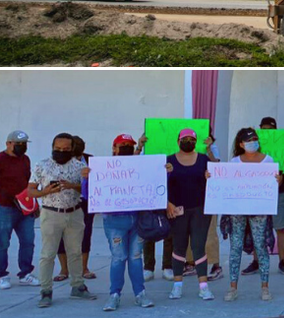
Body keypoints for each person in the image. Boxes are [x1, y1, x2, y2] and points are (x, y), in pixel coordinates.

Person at [80, 134, 154, 311]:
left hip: (137, 220)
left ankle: (140, 293)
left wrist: (164, 171)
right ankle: (114, 294)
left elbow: (152, 183)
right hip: (114, 221)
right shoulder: (101, 168)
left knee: (136, 258)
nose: (127, 147)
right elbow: (87, 194)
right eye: (123, 144)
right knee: (118, 257)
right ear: (114, 148)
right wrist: (85, 178)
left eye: (130, 145)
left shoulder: (139, 166)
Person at [28, 132, 96, 308]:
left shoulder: (79, 166)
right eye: (58, 149)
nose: (61, 152)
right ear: (52, 147)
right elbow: (31, 191)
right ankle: (46, 291)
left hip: (74, 212)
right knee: (48, 254)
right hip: (51, 214)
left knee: (75, 252)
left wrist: (73, 185)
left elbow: (89, 190)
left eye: (65, 149)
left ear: (72, 149)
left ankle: (78, 286)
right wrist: (46, 191)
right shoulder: (41, 165)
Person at [223, 128, 278, 302]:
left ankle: (265, 287)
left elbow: (276, 183)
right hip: (238, 211)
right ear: (241, 144)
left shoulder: (268, 160)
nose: (252, 143)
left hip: (259, 210)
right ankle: (232, 287)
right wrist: (211, 177)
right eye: (248, 140)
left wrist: (279, 180)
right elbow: (224, 181)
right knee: (235, 247)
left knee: (260, 246)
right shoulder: (233, 163)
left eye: (255, 139)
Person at [166, 129, 214, 300]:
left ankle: (203, 286)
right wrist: (167, 204)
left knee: (198, 246)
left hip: (200, 209)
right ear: (178, 141)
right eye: (184, 139)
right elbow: (159, 184)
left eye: (191, 139)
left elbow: (217, 175)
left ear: (195, 142)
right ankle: (177, 285)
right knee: (178, 246)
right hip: (177, 210)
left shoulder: (203, 160)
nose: (188, 141)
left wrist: (210, 176)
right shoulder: (169, 161)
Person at [242, 116, 284, 277]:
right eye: (264, 129)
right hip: (259, 193)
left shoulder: (282, 146)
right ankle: (256, 261)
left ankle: (283, 261)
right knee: (258, 229)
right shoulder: (254, 147)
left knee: (280, 228)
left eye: (270, 129)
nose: (267, 132)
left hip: (279, 193)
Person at [0, 130, 40, 289]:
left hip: (24, 207)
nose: (22, 147)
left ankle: (25, 273)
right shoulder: (1, 159)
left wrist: (34, 203)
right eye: (18, 144)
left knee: (28, 241)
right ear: (8, 143)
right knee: (3, 242)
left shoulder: (25, 160)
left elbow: (29, 182)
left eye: (24, 144)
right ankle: (2, 275)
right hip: (5, 208)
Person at [184, 132, 222, 281]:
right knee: (189, 232)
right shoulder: (184, 152)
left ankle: (215, 265)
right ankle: (191, 263)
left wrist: (209, 149)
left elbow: (217, 166)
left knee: (210, 232)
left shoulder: (212, 148)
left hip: (209, 195)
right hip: (189, 195)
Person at [56, 136, 95, 282]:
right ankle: (64, 269)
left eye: (79, 155)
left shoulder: (91, 159)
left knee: (86, 234)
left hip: (86, 203)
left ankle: (84, 268)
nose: (78, 158)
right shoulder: (61, 161)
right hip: (66, 202)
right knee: (62, 235)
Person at [136, 135, 174, 282]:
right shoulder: (143, 156)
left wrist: (170, 172)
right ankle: (148, 267)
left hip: (168, 198)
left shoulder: (172, 158)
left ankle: (167, 266)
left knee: (169, 234)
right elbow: (131, 163)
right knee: (148, 232)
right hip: (147, 199)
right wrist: (139, 146)